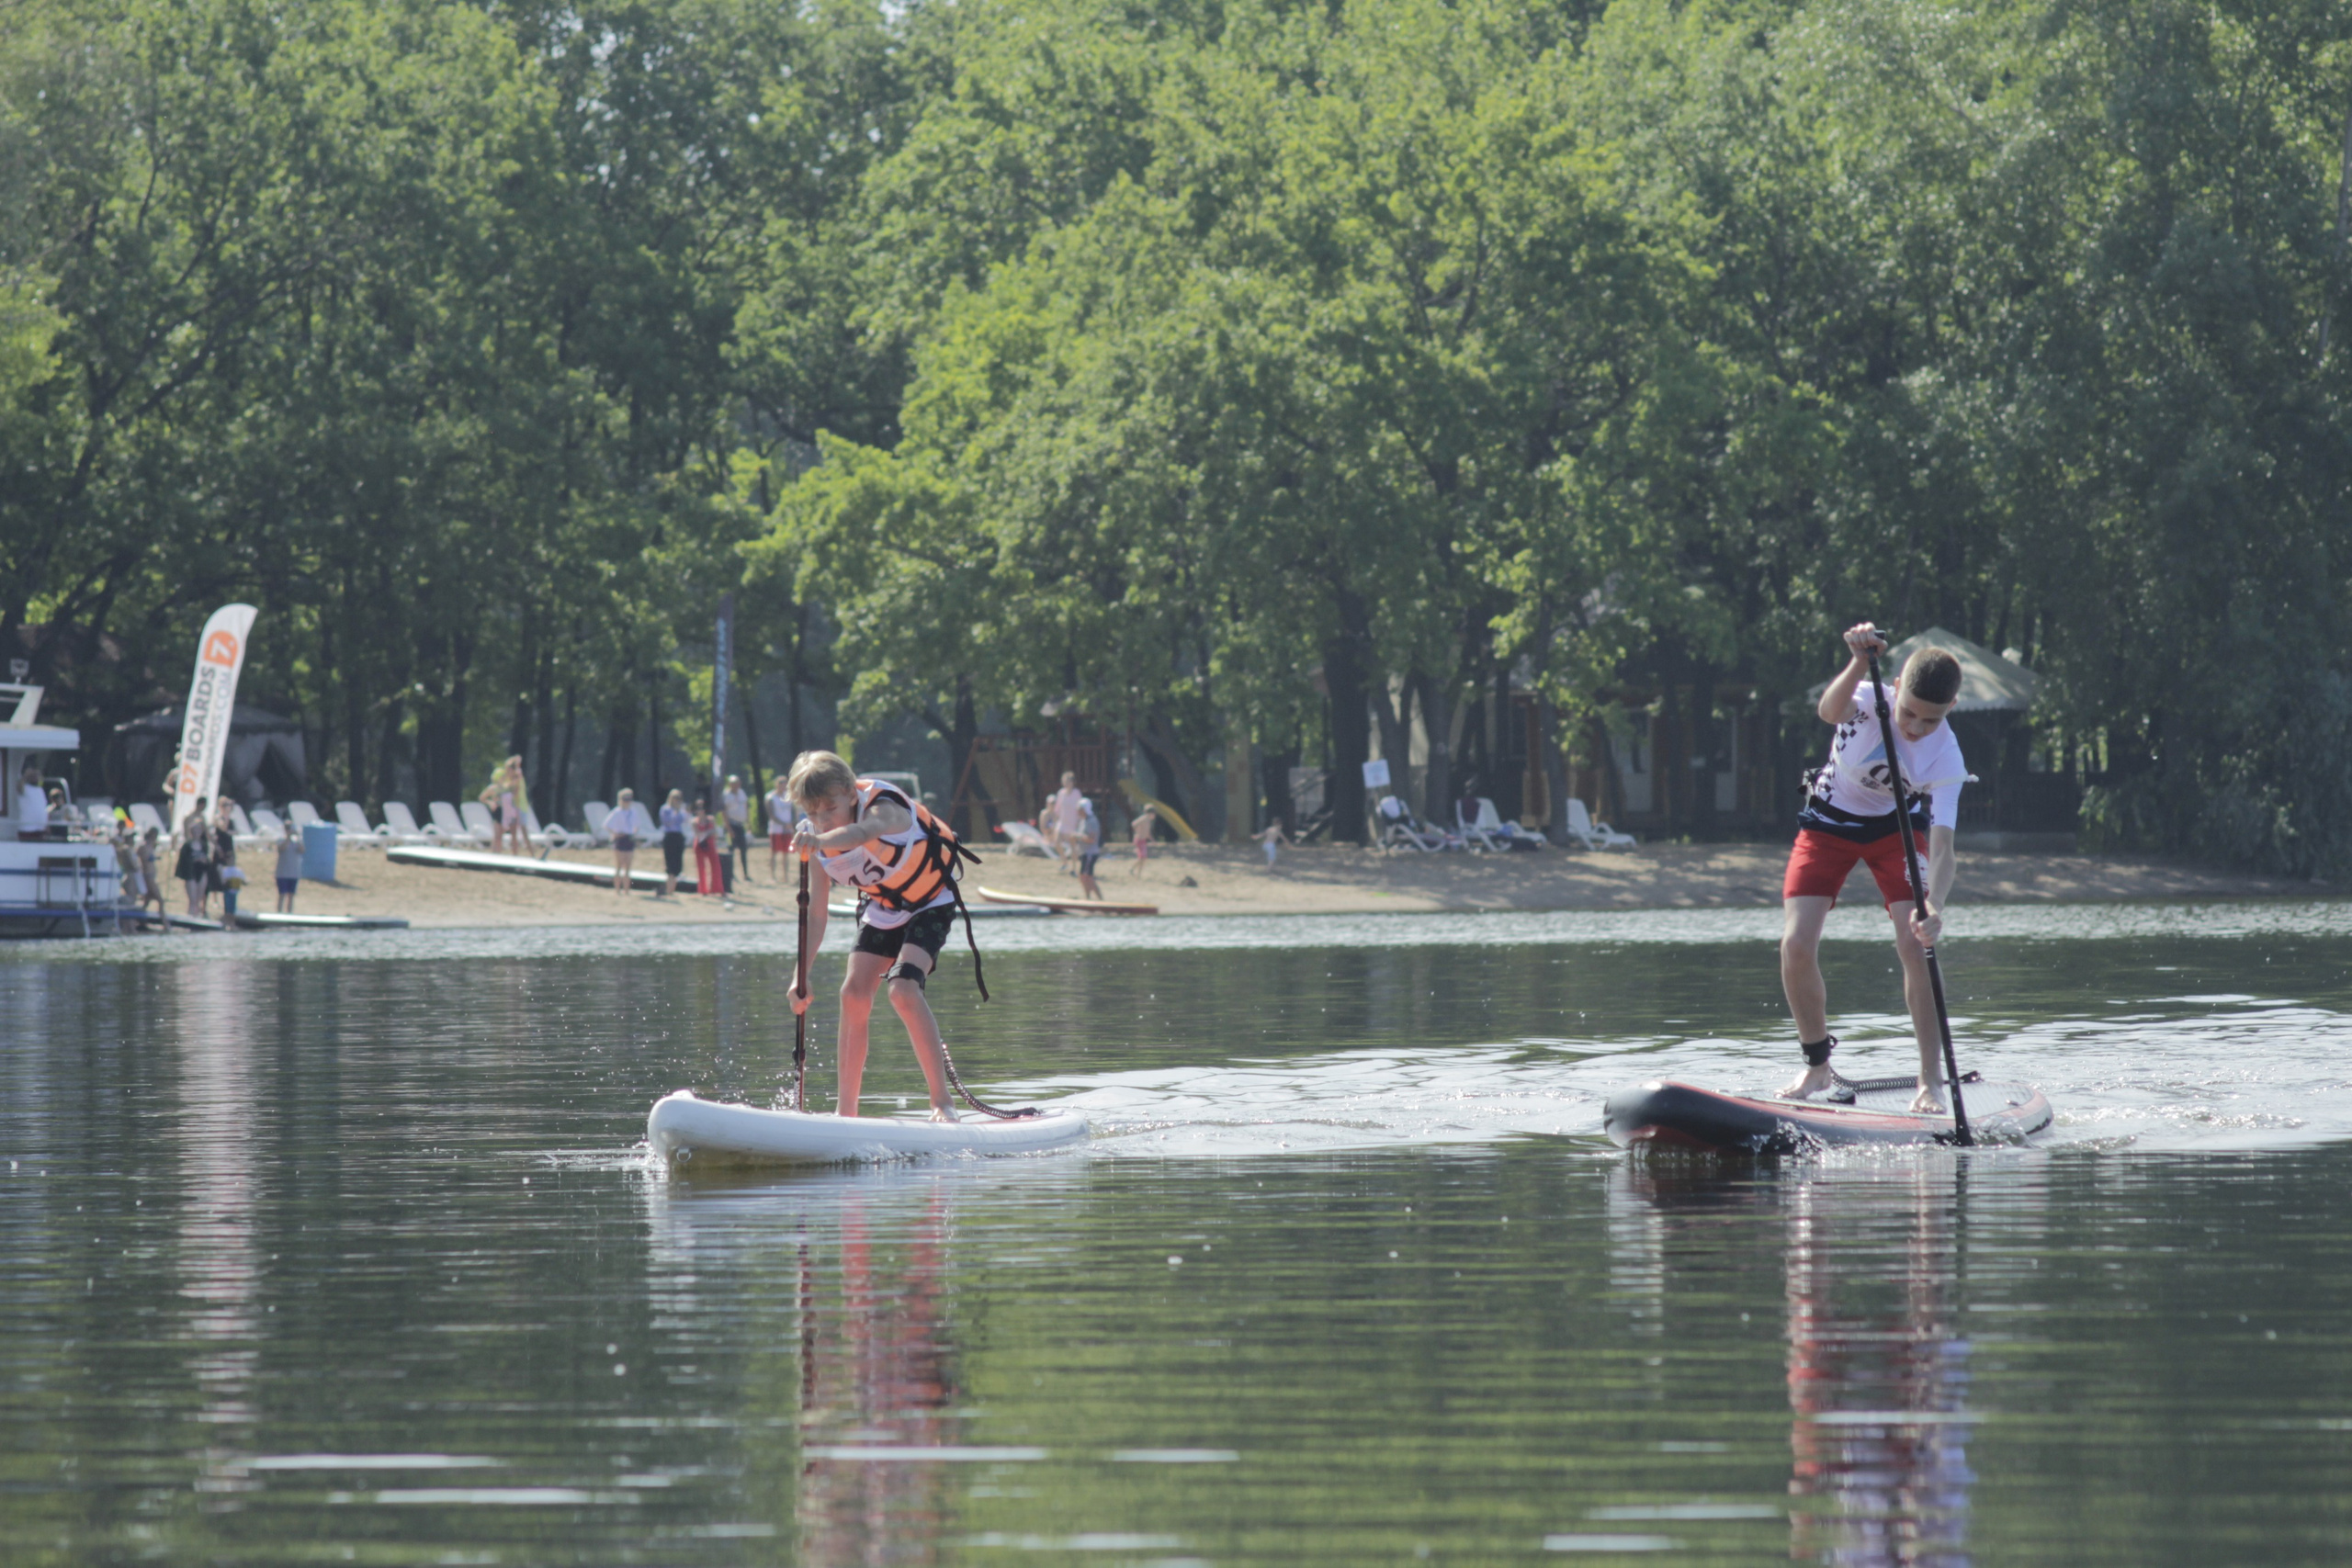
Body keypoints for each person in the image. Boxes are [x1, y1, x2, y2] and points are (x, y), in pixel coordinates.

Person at [1778, 622, 1967, 1113]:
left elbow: (1944, 847)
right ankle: (1818, 1066)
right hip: (1827, 823)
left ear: (1950, 709)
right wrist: (1860, 657)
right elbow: (1827, 711)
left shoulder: (1946, 756)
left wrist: (1935, 906)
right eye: (1907, 713)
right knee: (1796, 945)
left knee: (1914, 941)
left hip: (1895, 833)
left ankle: (1931, 1080)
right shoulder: (1865, 697)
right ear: (1896, 687)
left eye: (1929, 721)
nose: (1913, 728)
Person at [783, 749, 980, 1121]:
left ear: (850, 793)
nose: (821, 821)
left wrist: (817, 844)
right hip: (884, 909)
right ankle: (847, 1114)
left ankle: (942, 1103)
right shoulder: (816, 840)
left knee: (903, 990)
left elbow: (861, 833)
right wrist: (800, 978)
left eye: (829, 809)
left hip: (930, 901)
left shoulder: (883, 809)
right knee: (852, 994)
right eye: (812, 813)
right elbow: (818, 916)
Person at [482, 755, 528, 855]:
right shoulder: (493, 788)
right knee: (498, 836)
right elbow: (482, 798)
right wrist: (491, 803)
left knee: (513, 835)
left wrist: (516, 764)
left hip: (509, 812)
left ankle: (514, 856)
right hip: (498, 812)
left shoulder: (507, 786)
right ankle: (495, 855)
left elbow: (516, 783)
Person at [175, 800, 212, 918]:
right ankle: (191, 916)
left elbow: (207, 858)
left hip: (201, 870)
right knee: (192, 899)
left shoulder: (203, 845)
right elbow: (184, 862)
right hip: (191, 872)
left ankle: (199, 914)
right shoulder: (187, 846)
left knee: (199, 897)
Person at [212, 798, 243, 931]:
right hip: (220, 851)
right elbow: (222, 828)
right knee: (218, 878)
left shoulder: (231, 820)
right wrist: (225, 816)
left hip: (229, 850)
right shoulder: (218, 818)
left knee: (231, 880)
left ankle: (230, 912)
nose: (228, 808)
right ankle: (216, 901)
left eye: (229, 806)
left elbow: (234, 831)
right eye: (225, 805)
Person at [1047, 772, 1086, 871]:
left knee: (1073, 847)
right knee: (1056, 842)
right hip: (1062, 822)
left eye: (1070, 782)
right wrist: (1055, 821)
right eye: (1066, 782)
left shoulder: (1077, 793)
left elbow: (1080, 808)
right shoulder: (1061, 793)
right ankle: (1064, 862)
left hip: (1073, 823)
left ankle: (1074, 868)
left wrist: (1080, 822)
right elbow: (1057, 808)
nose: (1068, 784)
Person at [608, 788, 642, 894]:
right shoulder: (617, 812)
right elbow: (606, 825)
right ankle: (617, 889)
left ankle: (626, 890)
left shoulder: (633, 812)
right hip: (620, 838)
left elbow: (637, 825)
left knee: (628, 866)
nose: (627, 801)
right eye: (625, 799)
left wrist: (633, 833)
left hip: (629, 838)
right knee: (619, 865)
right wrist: (615, 833)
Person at [659, 787, 689, 897]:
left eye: (679, 798)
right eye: (675, 798)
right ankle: (669, 889)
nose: (677, 800)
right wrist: (675, 813)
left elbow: (685, 821)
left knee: (677, 863)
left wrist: (680, 811)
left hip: (678, 837)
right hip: (669, 836)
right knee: (669, 863)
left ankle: (672, 889)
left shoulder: (682, 810)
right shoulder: (665, 809)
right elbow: (667, 822)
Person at [692, 796, 725, 897]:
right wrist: (708, 832)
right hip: (700, 845)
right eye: (698, 808)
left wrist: (707, 832)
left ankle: (716, 888)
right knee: (701, 868)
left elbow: (714, 832)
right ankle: (703, 890)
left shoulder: (711, 819)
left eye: (702, 808)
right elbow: (698, 834)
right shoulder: (694, 822)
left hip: (710, 844)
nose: (700, 810)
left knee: (716, 867)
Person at [721, 773, 751, 886]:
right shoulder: (726, 795)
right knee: (731, 851)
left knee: (743, 850)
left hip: (740, 824)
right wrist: (728, 828)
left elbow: (746, 807)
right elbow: (724, 812)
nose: (735, 785)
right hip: (731, 825)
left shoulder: (742, 793)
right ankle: (731, 874)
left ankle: (745, 873)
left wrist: (748, 824)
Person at [765, 774, 795, 882]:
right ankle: (772, 875)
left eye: (784, 783)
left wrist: (792, 823)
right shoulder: (770, 797)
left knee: (786, 853)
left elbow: (792, 811)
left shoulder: (788, 797)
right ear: (776, 784)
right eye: (781, 783)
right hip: (776, 829)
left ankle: (785, 876)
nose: (783, 785)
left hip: (787, 829)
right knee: (774, 852)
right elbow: (771, 814)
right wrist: (783, 824)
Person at [1075, 795, 1104, 899]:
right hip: (1085, 853)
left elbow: (1092, 839)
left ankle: (1100, 899)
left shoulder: (1092, 821)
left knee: (1087, 877)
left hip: (1090, 853)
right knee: (1083, 877)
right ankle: (1088, 897)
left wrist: (1078, 837)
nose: (1077, 811)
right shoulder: (1083, 820)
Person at [274, 819, 304, 913]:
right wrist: (288, 837)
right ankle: (279, 913)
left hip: (293, 873)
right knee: (281, 894)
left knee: (291, 895)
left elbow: (302, 850)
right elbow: (281, 849)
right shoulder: (280, 840)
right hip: (282, 873)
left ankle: (289, 913)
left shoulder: (297, 841)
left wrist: (297, 837)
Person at [137, 826, 164, 919]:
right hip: (148, 876)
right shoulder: (144, 847)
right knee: (160, 900)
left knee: (146, 901)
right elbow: (145, 859)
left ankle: (140, 920)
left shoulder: (151, 847)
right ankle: (165, 922)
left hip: (151, 875)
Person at [16, 761, 46, 840]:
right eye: (33, 775)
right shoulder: (25, 788)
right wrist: (27, 775)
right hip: (27, 829)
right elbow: (19, 786)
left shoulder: (40, 789)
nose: (36, 777)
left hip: (40, 829)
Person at [1130, 805, 1156, 875]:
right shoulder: (1144, 818)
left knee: (1142, 858)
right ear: (1150, 813)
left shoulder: (1148, 820)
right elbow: (1134, 824)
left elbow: (1147, 833)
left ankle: (1136, 872)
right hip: (1139, 840)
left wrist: (1152, 840)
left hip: (1142, 840)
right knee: (1143, 858)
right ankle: (1134, 871)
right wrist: (1137, 831)